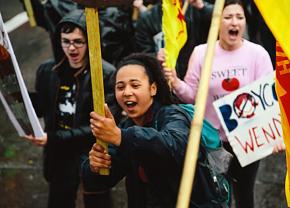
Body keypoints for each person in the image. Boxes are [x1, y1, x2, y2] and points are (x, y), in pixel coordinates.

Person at [163, 0, 281, 207]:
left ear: (245, 22)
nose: (233, 22)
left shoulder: (258, 54)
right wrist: (174, 81)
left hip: (246, 141)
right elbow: (192, 97)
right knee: (214, 196)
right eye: (227, 17)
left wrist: (273, 136)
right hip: (211, 142)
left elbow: (267, 101)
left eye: (239, 17)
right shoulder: (201, 53)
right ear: (217, 22)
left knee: (244, 194)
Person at [81, 53, 227, 207]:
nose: (127, 92)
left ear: (153, 88)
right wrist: (95, 166)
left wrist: (121, 137)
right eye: (120, 87)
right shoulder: (125, 127)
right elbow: (101, 180)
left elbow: (175, 145)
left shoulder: (172, 115)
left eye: (135, 85)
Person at [24, 9, 115, 208]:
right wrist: (15, 93)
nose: (71, 48)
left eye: (78, 42)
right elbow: (40, 108)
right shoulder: (48, 70)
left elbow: (101, 129)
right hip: (59, 157)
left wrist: (53, 138)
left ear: (90, 41)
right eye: (66, 41)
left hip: (91, 155)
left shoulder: (105, 75)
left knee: (97, 202)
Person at [135, 0, 213, 79]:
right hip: (165, 79)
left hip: (198, 76)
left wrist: (202, 7)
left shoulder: (196, 8)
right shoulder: (148, 17)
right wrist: (155, 56)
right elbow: (142, 53)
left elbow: (220, 25)